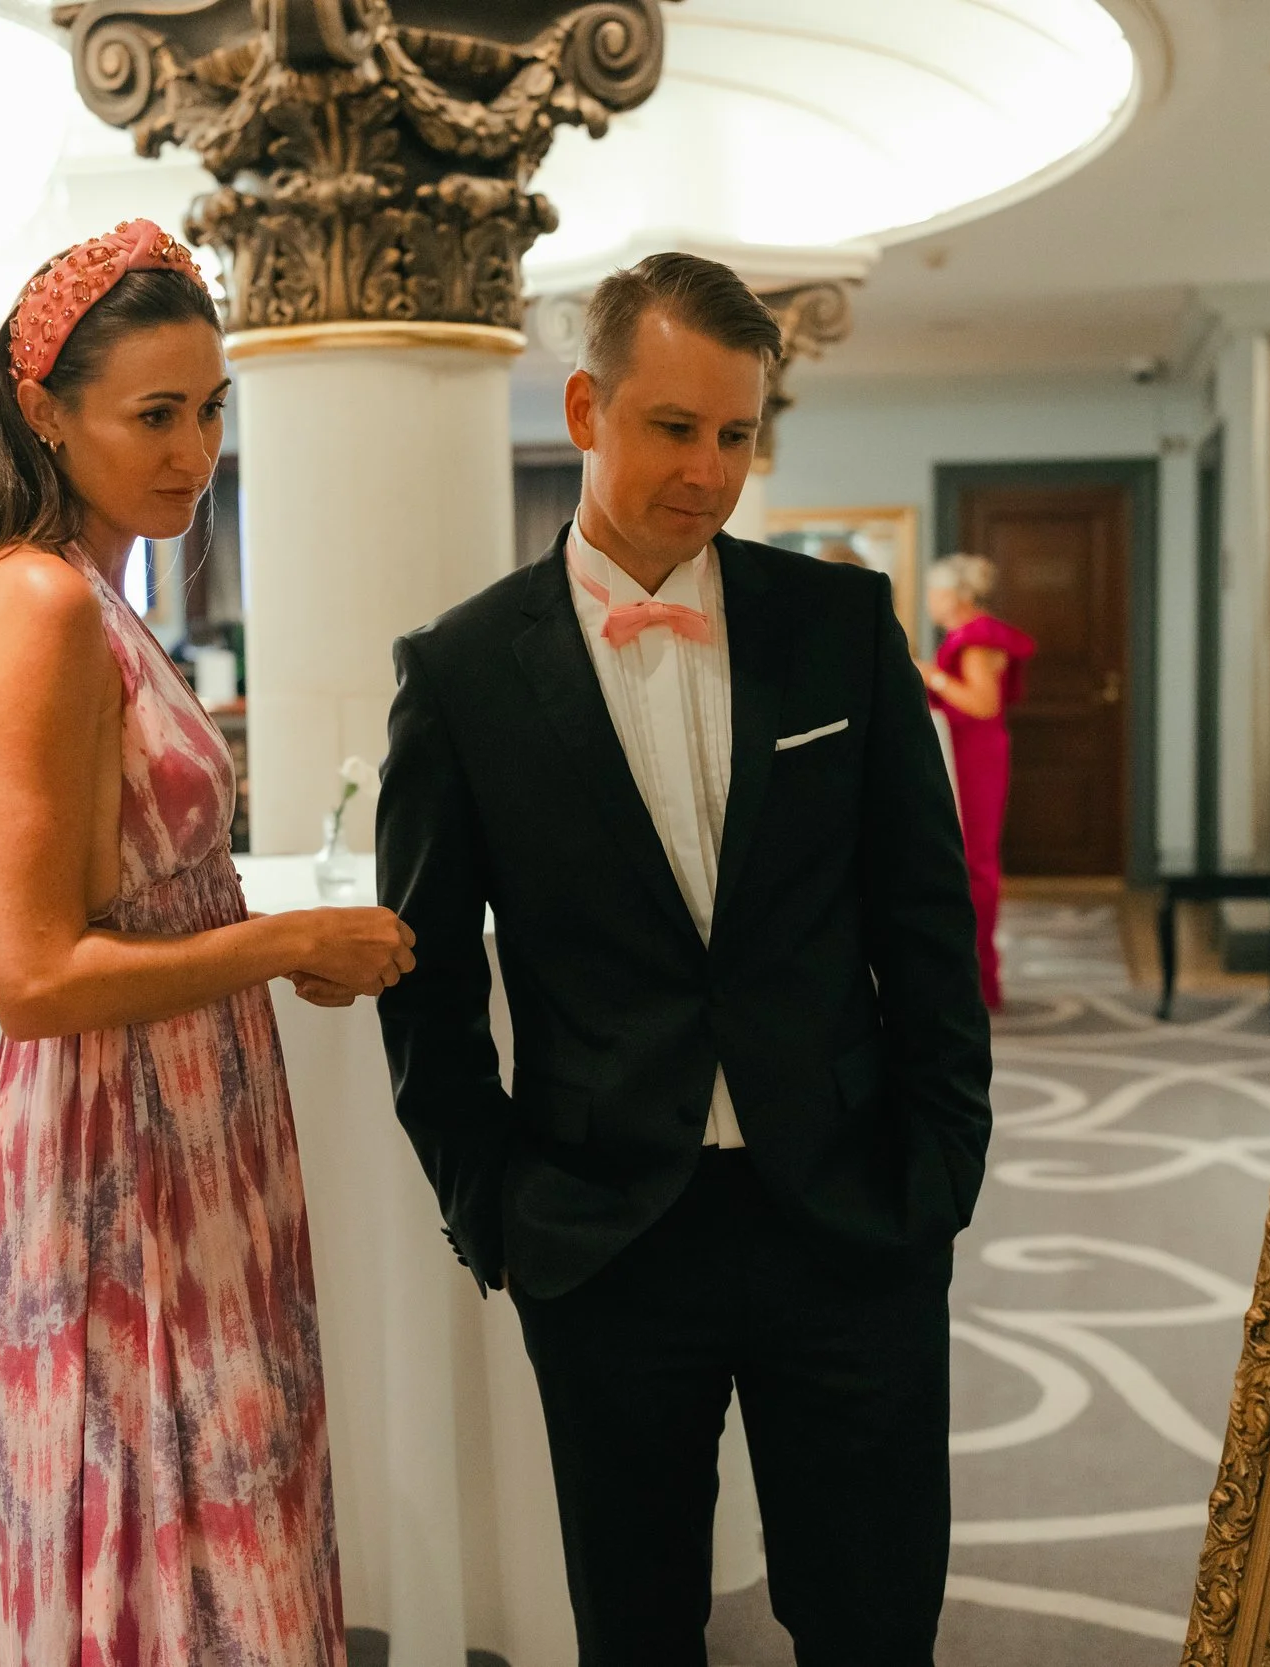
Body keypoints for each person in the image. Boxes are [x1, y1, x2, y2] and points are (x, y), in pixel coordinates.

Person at [375, 253, 993, 1664]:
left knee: (874, 1614)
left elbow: (925, 917)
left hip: (850, 1210)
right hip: (605, 1236)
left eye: (737, 432)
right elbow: (430, 983)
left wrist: (941, 1166)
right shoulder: (463, 671)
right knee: (637, 1626)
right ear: (588, 406)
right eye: (674, 427)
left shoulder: (838, 625)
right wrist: (503, 1213)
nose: (711, 471)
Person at [0, 220, 413, 1667]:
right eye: (156, 414)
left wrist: (259, 944)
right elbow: (38, 975)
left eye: (212, 408)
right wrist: (281, 934)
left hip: (187, 1122)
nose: (195, 450)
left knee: (208, 1531)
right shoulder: (43, 601)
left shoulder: (80, 590)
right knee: (164, 1549)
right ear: (47, 411)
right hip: (117, 1141)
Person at [919, 554, 1035, 1012]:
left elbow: (983, 703)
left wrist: (933, 676)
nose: (929, 600)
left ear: (952, 596)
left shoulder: (973, 639)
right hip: (974, 748)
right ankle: (976, 973)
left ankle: (982, 977)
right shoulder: (971, 635)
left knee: (975, 861)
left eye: (933, 591)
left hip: (975, 753)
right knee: (971, 859)